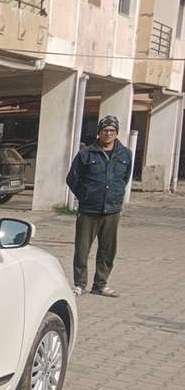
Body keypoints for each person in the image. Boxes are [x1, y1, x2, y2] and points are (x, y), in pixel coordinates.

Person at [65, 115, 131, 297]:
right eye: (105, 131)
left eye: (112, 131)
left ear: (116, 133)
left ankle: (100, 284)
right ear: (99, 133)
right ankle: (79, 284)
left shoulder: (125, 154)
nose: (108, 134)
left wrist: (115, 195)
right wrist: (86, 196)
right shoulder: (86, 153)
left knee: (107, 249)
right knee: (82, 248)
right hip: (89, 210)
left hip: (112, 210)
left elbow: (124, 178)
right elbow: (72, 178)